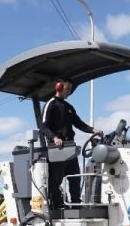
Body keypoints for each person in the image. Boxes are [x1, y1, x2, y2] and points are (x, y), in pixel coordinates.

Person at [41, 79, 103, 213]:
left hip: (70, 148)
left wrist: (93, 130)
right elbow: (44, 126)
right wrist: (54, 138)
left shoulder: (69, 107)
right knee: (55, 180)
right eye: (68, 89)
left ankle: (76, 206)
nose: (69, 92)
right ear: (59, 87)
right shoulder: (50, 104)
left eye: (70, 90)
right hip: (57, 149)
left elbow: (79, 123)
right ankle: (57, 205)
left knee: (75, 177)